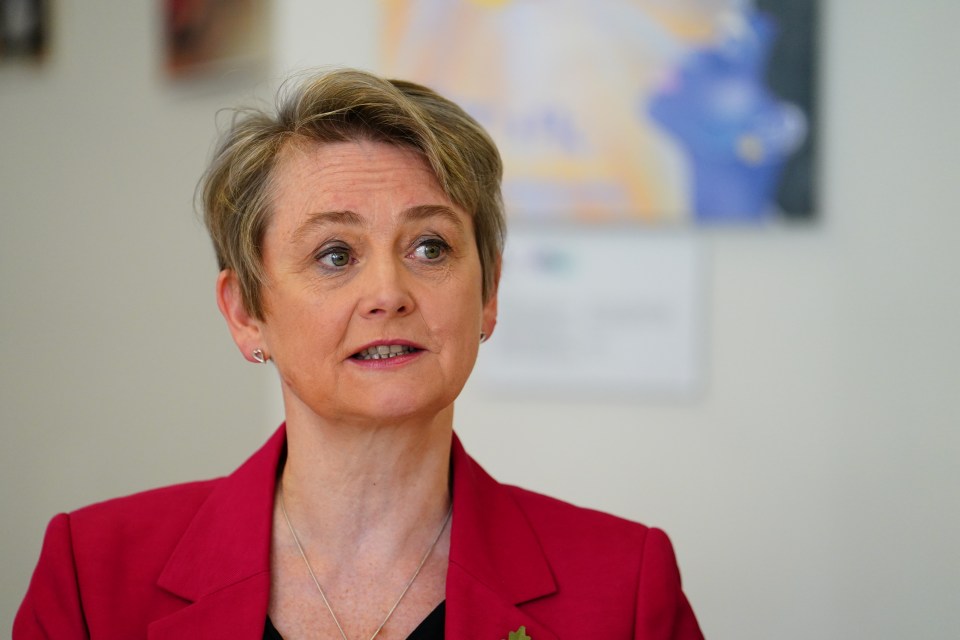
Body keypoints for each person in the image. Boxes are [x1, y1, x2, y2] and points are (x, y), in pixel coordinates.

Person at [14, 68, 704, 639]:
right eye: (335, 254)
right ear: (246, 312)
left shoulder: (625, 589)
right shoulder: (92, 577)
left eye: (430, 247)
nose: (389, 292)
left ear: (488, 291)